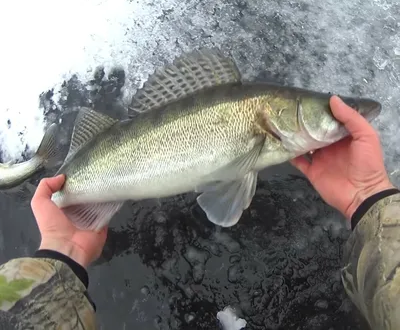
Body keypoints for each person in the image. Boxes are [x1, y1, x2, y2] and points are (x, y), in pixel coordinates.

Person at [0, 96, 398, 329]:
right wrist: (369, 194)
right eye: (331, 112)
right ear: (278, 114)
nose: (343, 119)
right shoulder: (259, 121)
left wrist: (61, 250)